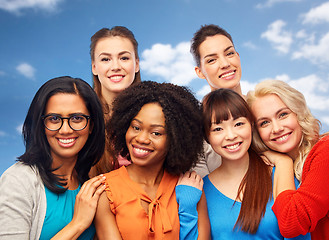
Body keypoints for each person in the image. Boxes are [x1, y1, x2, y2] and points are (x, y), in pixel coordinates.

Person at [94, 81, 210, 239]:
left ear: (176, 139)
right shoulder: (105, 191)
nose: (141, 139)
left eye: (156, 133)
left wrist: (187, 205)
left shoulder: (190, 187)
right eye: (136, 127)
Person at [0, 76, 106, 239]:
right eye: (54, 119)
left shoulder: (89, 182)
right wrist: (77, 224)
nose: (65, 130)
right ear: (40, 125)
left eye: (77, 118)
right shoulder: (18, 181)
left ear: (91, 125)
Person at [196, 88, 309, 239]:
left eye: (238, 124)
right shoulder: (202, 190)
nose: (231, 135)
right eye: (218, 129)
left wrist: (284, 162)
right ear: (207, 137)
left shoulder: (281, 173)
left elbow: (299, 233)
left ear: (251, 125)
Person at [247, 79, 328, 239]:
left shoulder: (325, 150)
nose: (277, 128)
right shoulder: (275, 171)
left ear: (298, 113)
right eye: (264, 123)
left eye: (283, 114)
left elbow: (292, 222)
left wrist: (282, 162)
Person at [190, 24, 243, 177]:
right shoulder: (196, 124)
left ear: (238, 57)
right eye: (212, 60)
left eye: (229, 53)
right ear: (199, 71)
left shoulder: (263, 107)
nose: (225, 64)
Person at [89, 26, 141, 177]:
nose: (116, 67)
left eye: (124, 58)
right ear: (94, 67)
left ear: (136, 64)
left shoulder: (157, 111)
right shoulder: (83, 116)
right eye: (105, 59)